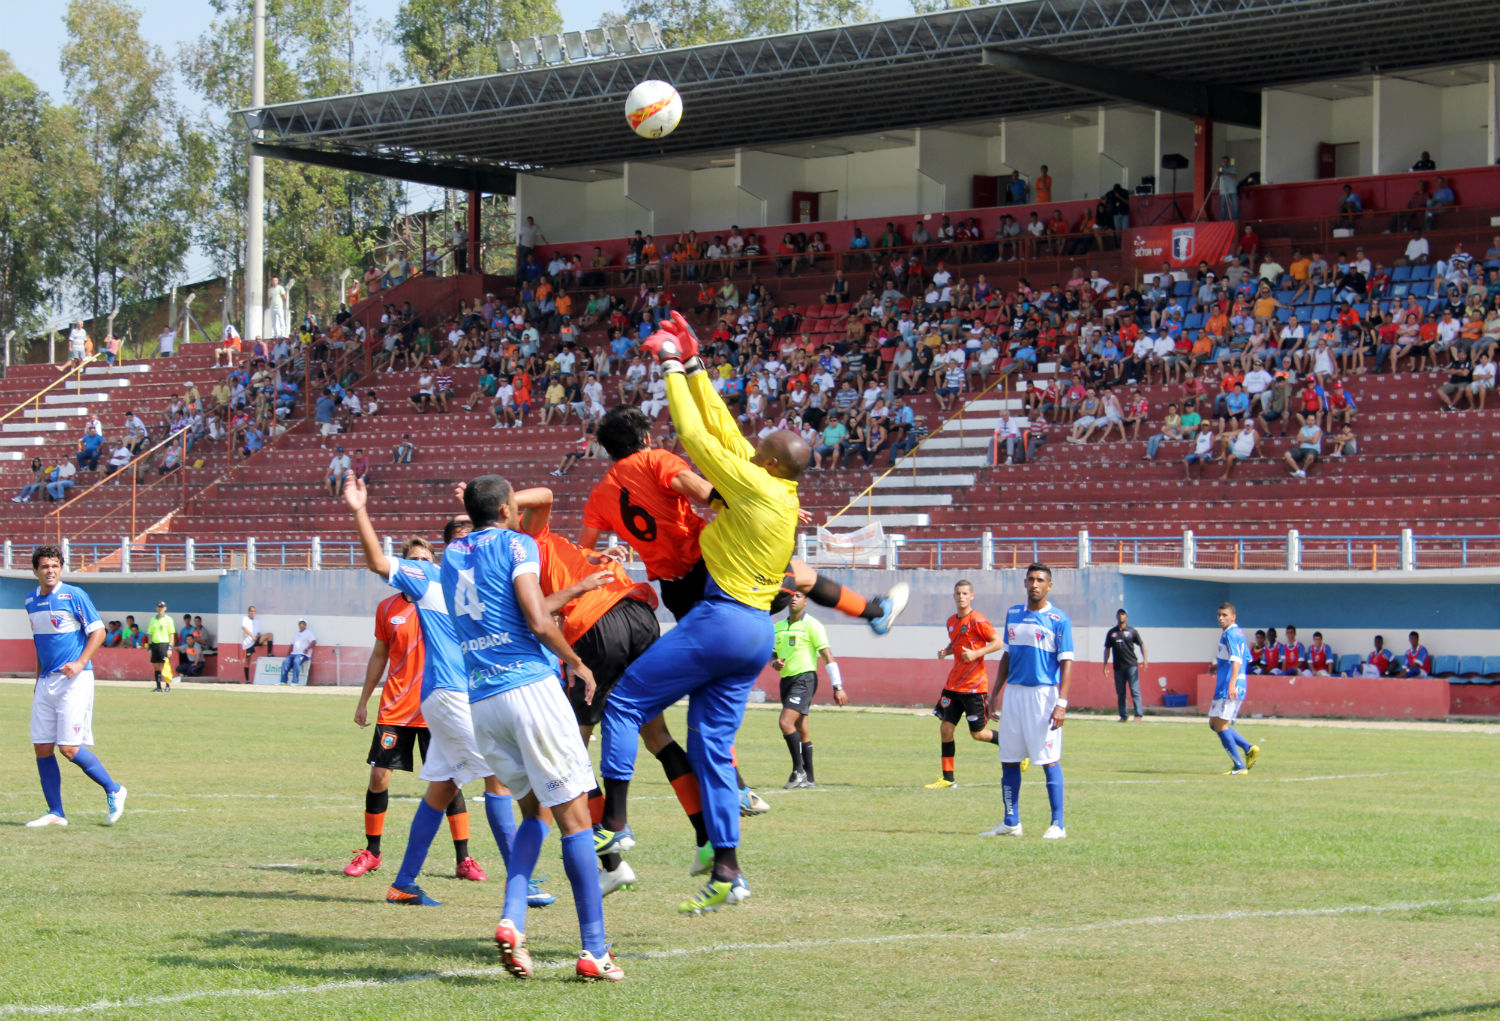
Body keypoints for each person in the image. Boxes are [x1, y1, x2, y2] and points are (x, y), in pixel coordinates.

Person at [596, 311, 807, 917]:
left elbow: (694, 431)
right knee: (710, 746)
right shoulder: (776, 485)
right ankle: (727, 870)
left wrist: (667, 366)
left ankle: (616, 821)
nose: (750, 442)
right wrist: (694, 365)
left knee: (626, 703)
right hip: (753, 633)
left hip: (721, 617)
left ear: (765, 463)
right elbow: (724, 424)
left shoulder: (753, 484)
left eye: (758, 447)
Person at [441, 475, 622, 982]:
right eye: (512, 508)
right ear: (505, 508)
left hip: (483, 700)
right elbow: (538, 622)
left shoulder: (452, 555)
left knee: (534, 814)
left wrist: (580, 587)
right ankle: (593, 949)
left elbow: (516, 611)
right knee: (575, 819)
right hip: (529, 688)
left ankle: (512, 920)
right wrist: (579, 665)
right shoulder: (517, 542)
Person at [345, 486, 544, 908]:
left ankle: (404, 883)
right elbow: (378, 562)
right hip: (452, 694)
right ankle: (520, 882)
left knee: (442, 787)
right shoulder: (431, 578)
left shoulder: (486, 582)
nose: (469, 540)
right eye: (459, 534)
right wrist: (361, 511)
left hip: (452, 695)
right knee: (499, 780)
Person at [23, 545, 127, 828]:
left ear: (61, 568)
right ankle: (56, 812)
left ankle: (114, 789)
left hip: (74, 680)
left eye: (55, 565)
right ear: (35, 571)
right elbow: (39, 645)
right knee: (42, 746)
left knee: (68, 748)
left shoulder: (74, 595)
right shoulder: (30, 601)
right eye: (45, 566)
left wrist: (80, 663)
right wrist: (37, 681)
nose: (50, 570)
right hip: (46, 682)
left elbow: (98, 631)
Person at [980, 563, 1073, 840]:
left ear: (1049, 586)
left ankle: (1058, 824)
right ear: (1025, 582)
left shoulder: (1059, 619)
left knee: (1048, 760)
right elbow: (1006, 656)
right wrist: (995, 693)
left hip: (1043, 696)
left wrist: (1062, 703)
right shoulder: (1013, 614)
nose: (1035, 584)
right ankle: (1011, 822)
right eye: (1031, 579)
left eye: (1040, 580)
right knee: (1009, 758)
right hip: (1014, 695)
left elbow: (1067, 663)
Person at [927, 579, 1001, 789]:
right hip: (953, 685)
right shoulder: (951, 621)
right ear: (954, 596)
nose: (961, 597)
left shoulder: (978, 620)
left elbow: (998, 642)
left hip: (974, 687)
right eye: (958, 593)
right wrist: (948, 650)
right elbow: (958, 641)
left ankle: (1014, 749)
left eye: (965, 593)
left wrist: (977, 653)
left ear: (971, 596)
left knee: (977, 734)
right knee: (945, 729)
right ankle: (948, 779)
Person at [771, 591, 845, 790]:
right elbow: (773, 654)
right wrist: (773, 662)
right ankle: (810, 777)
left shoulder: (812, 625)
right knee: (802, 728)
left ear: (805, 601)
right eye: (792, 595)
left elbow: (828, 656)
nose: (794, 598)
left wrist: (838, 686)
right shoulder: (777, 627)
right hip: (786, 681)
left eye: (799, 595)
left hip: (804, 680)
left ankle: (798, 771)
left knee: (785, 723)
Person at [1208, 602, 1258, 775]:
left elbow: (1237, 661)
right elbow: (1245, 658)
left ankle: (1239, 766)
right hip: (1227, 683)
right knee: (1215, 723)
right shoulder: (1237, 633)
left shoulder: (1230, 634)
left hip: (1228, 686)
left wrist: (1231, 685)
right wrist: (1218, 667)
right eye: (1219, 615)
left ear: (1233, 617)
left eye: (1224, 615)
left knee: (1221, 725)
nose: (1221, 618)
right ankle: (1248, 748)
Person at [1102, 608, 1147, 722]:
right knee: (1120, 692)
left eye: (1123, 614)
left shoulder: (1132, 631)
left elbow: (1142, 645)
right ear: (1117, 617)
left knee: (1134, 690)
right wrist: (1105, 664)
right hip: (1118, 667)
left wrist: (1145, 660)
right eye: (1119, 614)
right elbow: (1107, 649)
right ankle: (1123, 716)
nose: (1121, 616)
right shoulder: (1112, 633)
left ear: (1127, 617)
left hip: (1131, 666)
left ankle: (1138, 715)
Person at [146, 600, 176, 694]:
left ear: (165, 608)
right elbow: (150, 634)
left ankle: (167, 686)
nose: (160, 609)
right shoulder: (153, 620)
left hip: (164, 644)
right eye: (159, 607)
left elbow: (171, 634)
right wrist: (150, 647)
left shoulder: (169, 620)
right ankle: (158, 687)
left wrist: (170, 647)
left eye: (162, 607)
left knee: (165, 666)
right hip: (155, 644)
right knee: (156, 666)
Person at [240, 605, 274, 682]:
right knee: (247, 661)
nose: (253, 613)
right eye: (251, 611)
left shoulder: (257, 621)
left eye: (254, 611)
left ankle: (269, 653)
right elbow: (244, 628)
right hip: (247, 643)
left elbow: (258, 631)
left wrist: (258, 636)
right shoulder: (245, 619)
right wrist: (252, 636)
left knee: (269, 635)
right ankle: (247, 680)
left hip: (256, 641)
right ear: (249, 612)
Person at [279, 619, 316, 685]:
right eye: (300, 623)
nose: (301, 625)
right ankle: (283, 681)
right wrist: (288, 654)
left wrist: (307, 649)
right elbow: (292, 644)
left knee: (296, 661)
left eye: (303, 624)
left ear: (305, 625)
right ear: (298, 625)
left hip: (303, 654)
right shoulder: (296, 634)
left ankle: (295, 682)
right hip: (293, 653)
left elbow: (314, 642)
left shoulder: (308, 633)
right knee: (285, 662)